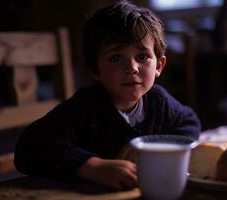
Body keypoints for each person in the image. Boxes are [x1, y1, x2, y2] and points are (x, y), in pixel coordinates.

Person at [14, 0, 201, 190]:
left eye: (142, 57)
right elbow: (28, 148)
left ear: (159, 66)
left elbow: (189, 123)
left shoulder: (159, 102)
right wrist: (92, 166)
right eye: (116, 58)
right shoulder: (85, 107)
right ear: (95, 70)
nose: (132, 68)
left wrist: (155, 148)